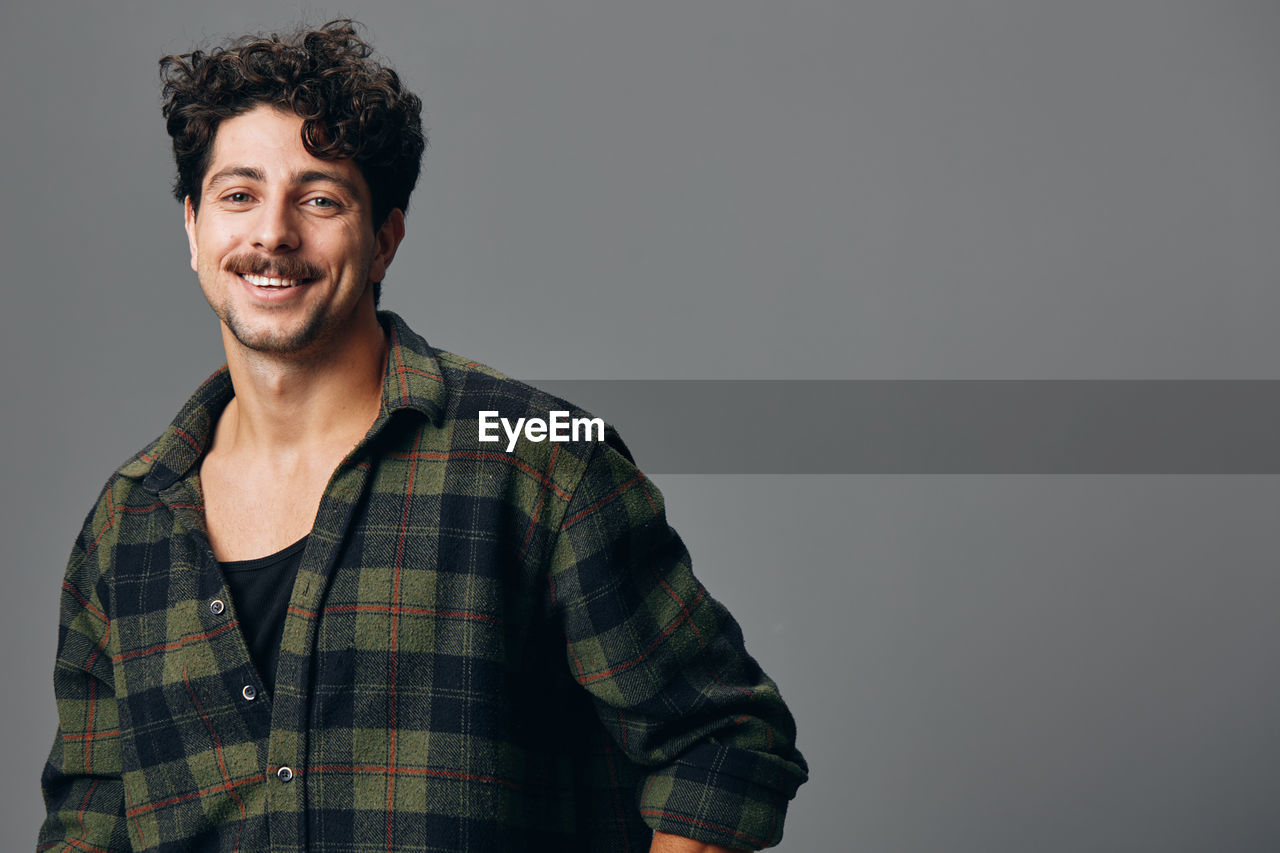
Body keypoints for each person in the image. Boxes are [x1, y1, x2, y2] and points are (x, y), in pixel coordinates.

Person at [38, 20, 807, 852]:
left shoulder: (539, 457)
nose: (272, 233)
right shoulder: (126, 525)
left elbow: (725, 741)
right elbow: (89, 823)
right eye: (238, 195)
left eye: (320, 198)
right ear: (193, 229)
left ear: (384, 240)